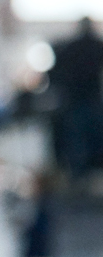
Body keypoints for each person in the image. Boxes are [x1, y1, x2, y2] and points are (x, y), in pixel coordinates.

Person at [48, 17, 103, 175]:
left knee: (78, 143)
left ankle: (78, 175)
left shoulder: (70, 47)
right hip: (89, 101)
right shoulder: (97, 46)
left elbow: (54, 73)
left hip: (75, 102)